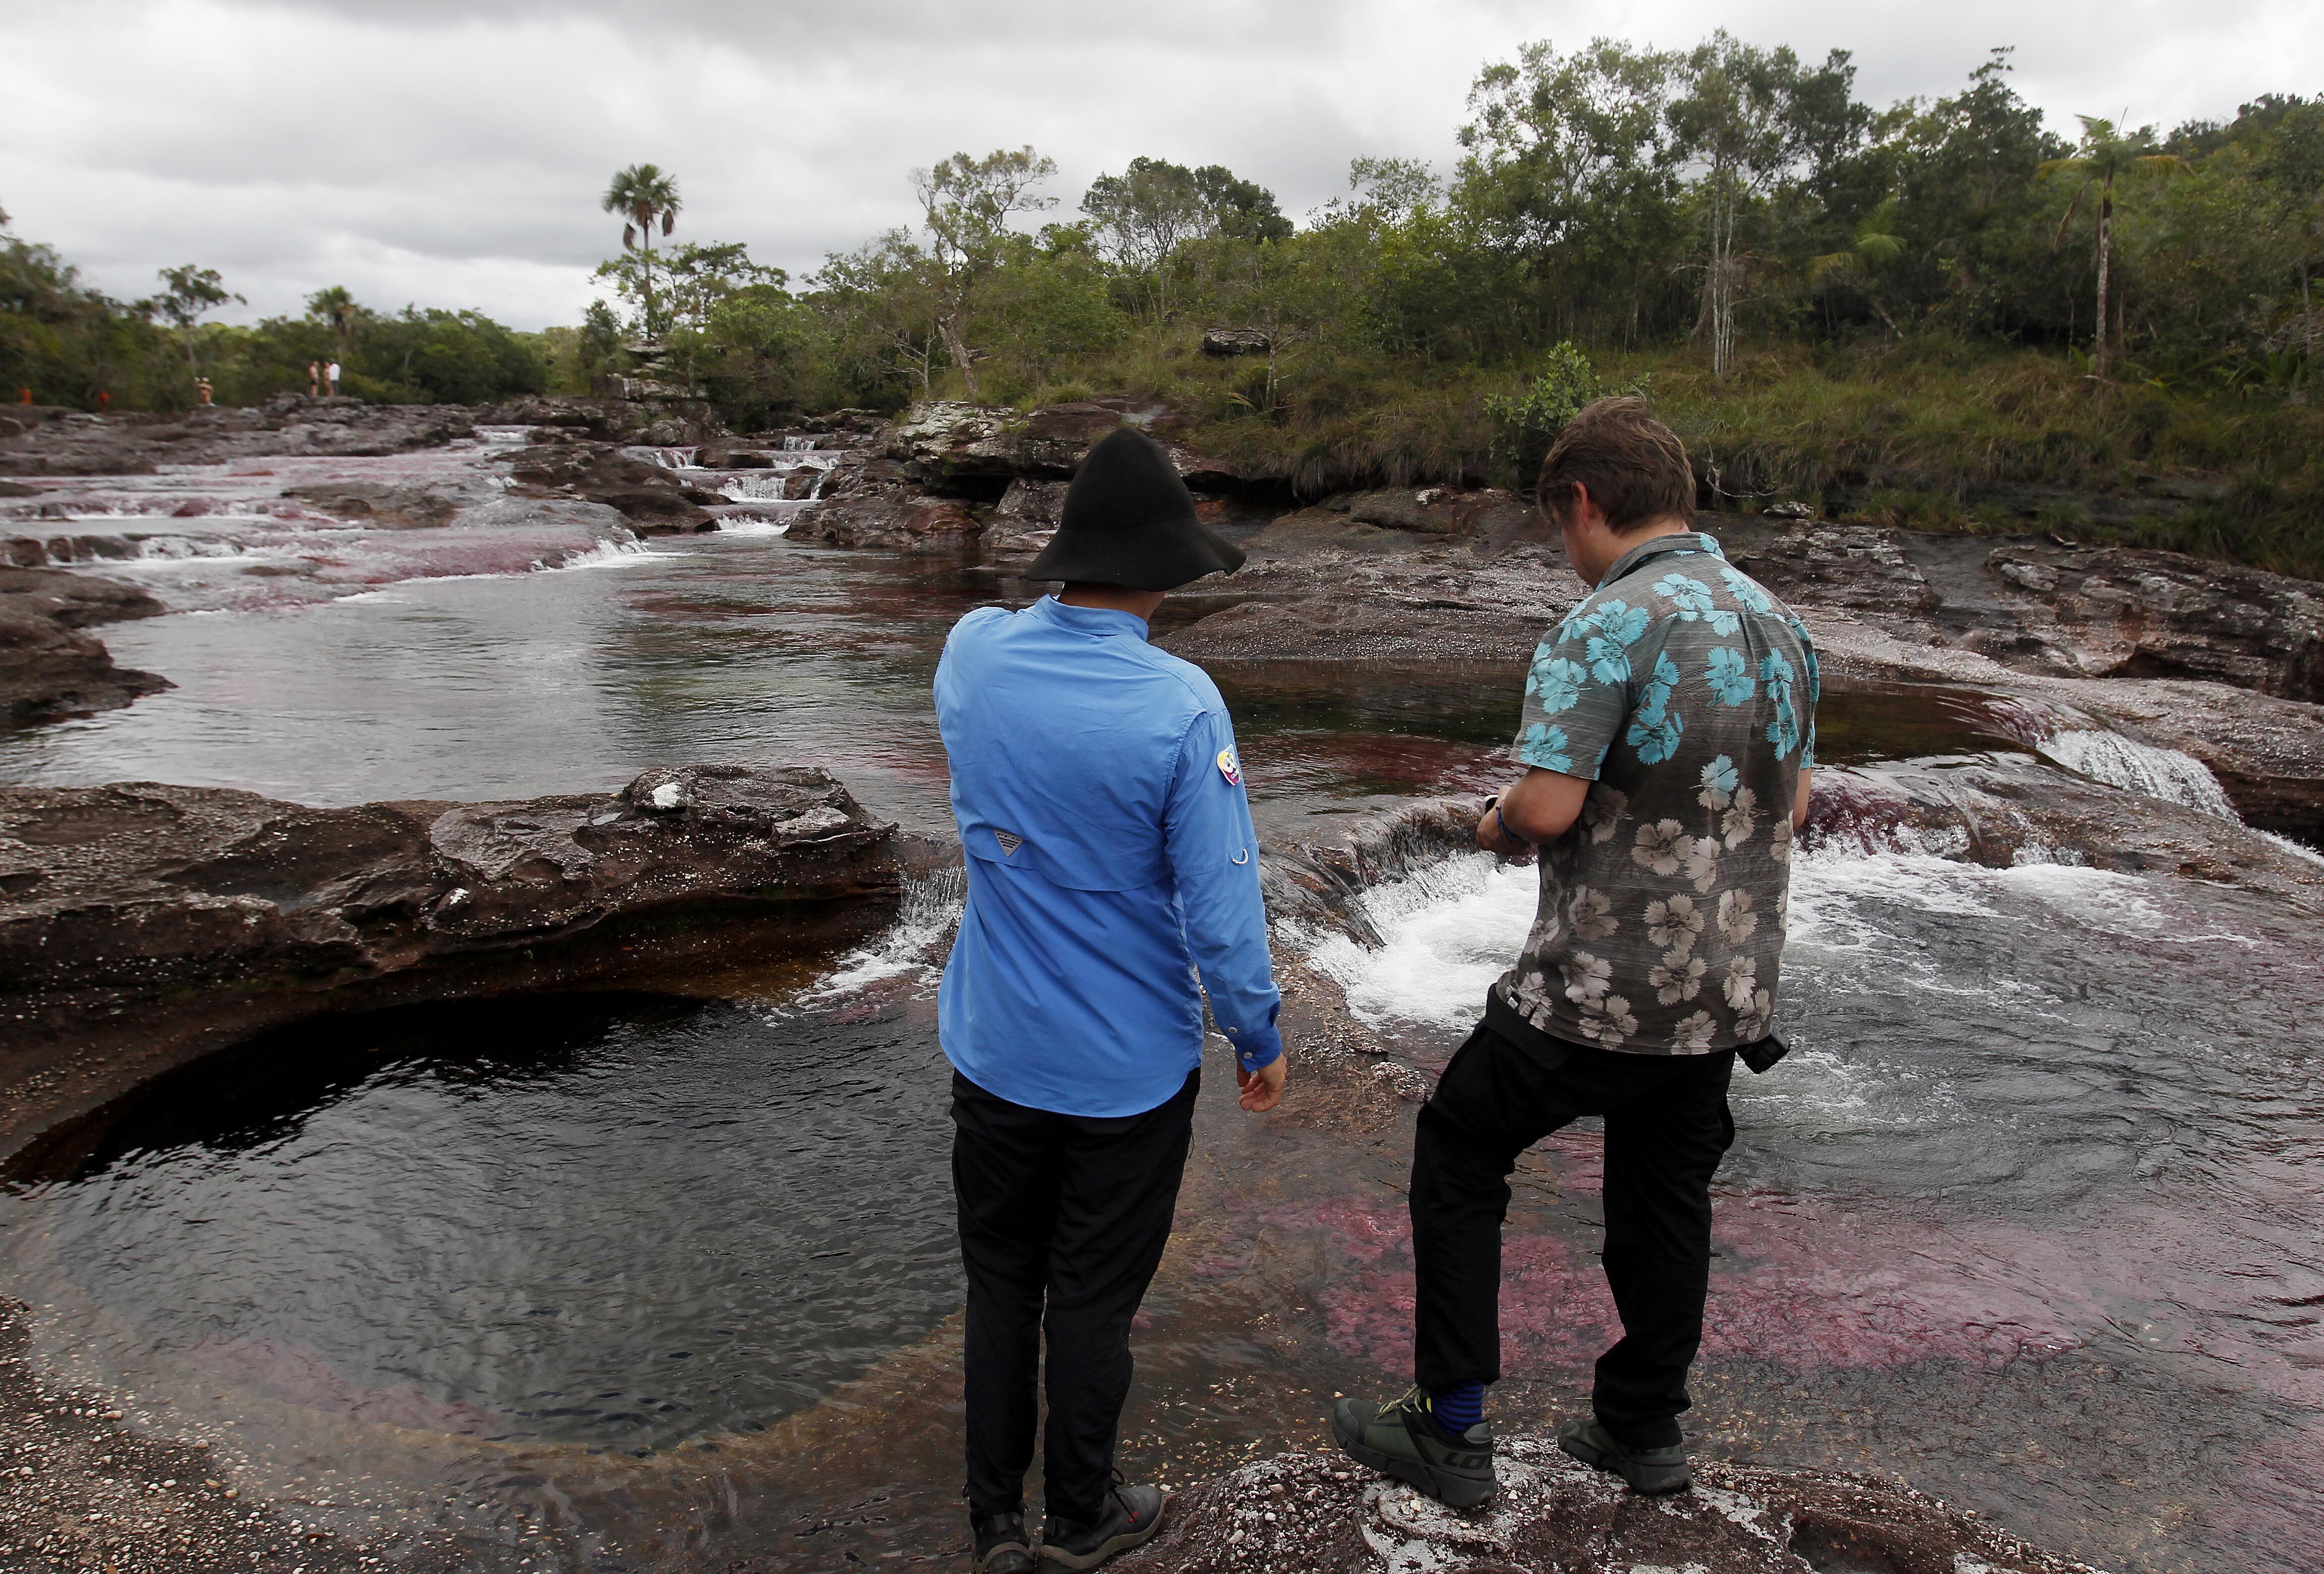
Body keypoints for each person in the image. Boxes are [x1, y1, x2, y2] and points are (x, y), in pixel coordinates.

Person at [1331, 397, 1818, 1506]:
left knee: (1459, 1150)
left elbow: (1546, 810)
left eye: (1560, 525)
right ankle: (1640, 1430)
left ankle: (1450, 1428)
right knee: (1664, 1199)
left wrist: (1492, 820)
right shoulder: (1779, 622)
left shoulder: (1605, 623)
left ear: (1583, 504)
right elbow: (1794, 804)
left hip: (1592, 990)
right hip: (1723, 993)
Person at [935, 426, 1289, 1573]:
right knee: (1088, 1296)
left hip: (993, 1048)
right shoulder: (1183, 706)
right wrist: (1256, 1031)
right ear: (1171, 568)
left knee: (1001, 1282)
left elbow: (991, 633)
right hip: (1125, 1073)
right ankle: (1083, 1515)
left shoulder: (971, 658)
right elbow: (1223, 907)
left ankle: (995, 1519)